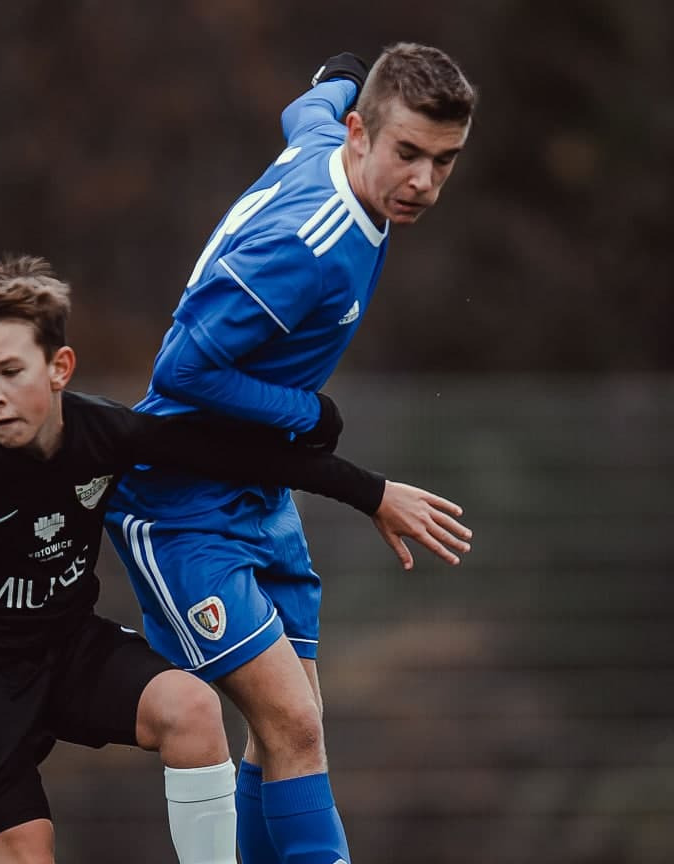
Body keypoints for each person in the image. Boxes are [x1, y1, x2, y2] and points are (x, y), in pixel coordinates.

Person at [0, 255, 470, 864]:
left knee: (192, 710)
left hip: (67, 646)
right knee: (29, 850)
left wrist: (371, 491)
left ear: (60, 366)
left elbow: (234, 456)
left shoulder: (104, 435)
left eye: (10, 371)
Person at [104, 43, 478, 863]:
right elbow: (181, 368)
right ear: (360, 135)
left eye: (444, 161)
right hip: (182, 501)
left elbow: (306, 108)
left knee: (290, 734)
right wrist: (305, 411)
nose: (423, 181)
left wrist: (341, 74)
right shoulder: (305, 247)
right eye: (408, 153)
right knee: (296, 725)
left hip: (255, 489)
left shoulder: (327, 140)